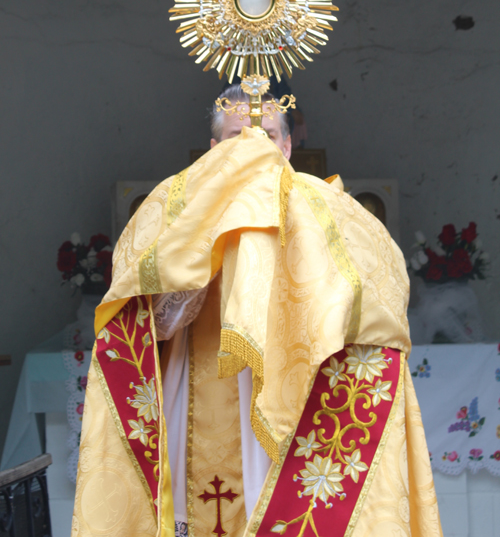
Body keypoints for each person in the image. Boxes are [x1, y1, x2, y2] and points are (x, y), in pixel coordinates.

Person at [72, 87, 443, 537]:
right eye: (235, 136)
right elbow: (138, 320)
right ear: (213, 149)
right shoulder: (176, 205)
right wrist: (187, 277)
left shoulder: (326, 209)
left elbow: (376, 304)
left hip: (295, 395)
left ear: (286, 146)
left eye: (265, 134)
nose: (250, 146)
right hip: (198, 385)